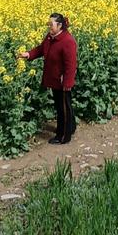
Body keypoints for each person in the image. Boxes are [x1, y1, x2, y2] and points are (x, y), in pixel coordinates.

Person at [19, 12, 78, 144]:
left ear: (60, 25)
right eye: (49, 24)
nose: (49, 27)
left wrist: (68, 82)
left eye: (51, 24)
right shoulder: (51, 37)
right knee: (62, 105)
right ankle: (71, 127)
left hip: (62, 81)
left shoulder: (67, 41)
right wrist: (28, 54)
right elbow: (41, 49)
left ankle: (63, 136)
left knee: (63, 108)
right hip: (54, 79)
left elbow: (71, 64)